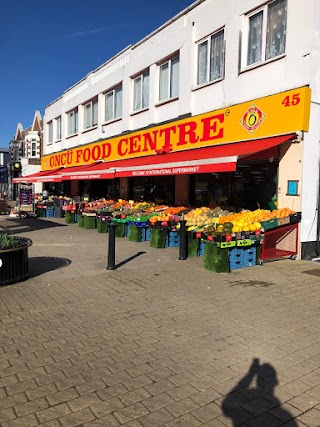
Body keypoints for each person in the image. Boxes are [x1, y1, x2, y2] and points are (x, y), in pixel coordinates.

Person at [222, 358, 298, 426]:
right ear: (276, 382)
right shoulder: (284, 415)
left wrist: (251, 374)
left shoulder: (248, 397)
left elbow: (227, 405)